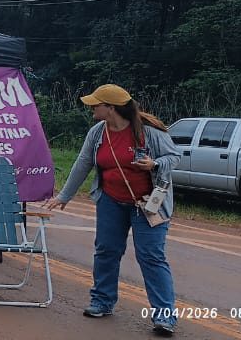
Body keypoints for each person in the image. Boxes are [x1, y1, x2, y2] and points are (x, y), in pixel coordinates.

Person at [46, 84, 181, 337]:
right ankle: (102, 302)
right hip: (110, 200)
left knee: (151, 256)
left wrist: (154, 164)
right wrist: (64, 196)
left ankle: (165, 316)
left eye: (96, 104)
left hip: (148, 203)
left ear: (111, 108)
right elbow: (82, 164)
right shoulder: (97, 133)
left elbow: (174, 157)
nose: (91, 108)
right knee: (106, 250)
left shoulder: (148, 132)